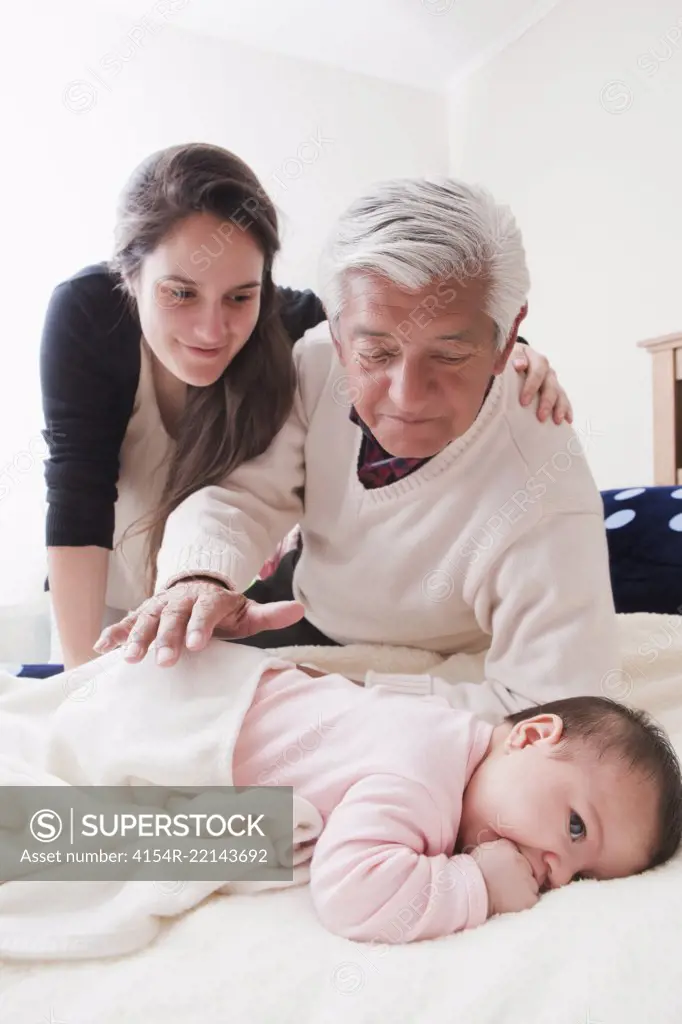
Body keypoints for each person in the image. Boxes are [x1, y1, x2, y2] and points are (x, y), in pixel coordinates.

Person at [96, 176, 618, 724]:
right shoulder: (316, 359)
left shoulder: (543, 476)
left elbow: (556, 705)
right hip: (306, 613)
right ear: (339, 333)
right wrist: (199, 576)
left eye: (450, 355)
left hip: (443, 661)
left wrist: (350, 692)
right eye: (376, 353)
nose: (407, 397)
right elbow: (245, 491)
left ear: (506, 340)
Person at [231, 661, 682, 943]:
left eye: (582, 876)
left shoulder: (458, 767)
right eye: (577, 828)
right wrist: (479, 886)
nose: (558, 874)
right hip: (207, 710)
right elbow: (350, 894)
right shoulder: (426, 772)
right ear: (531, 736)